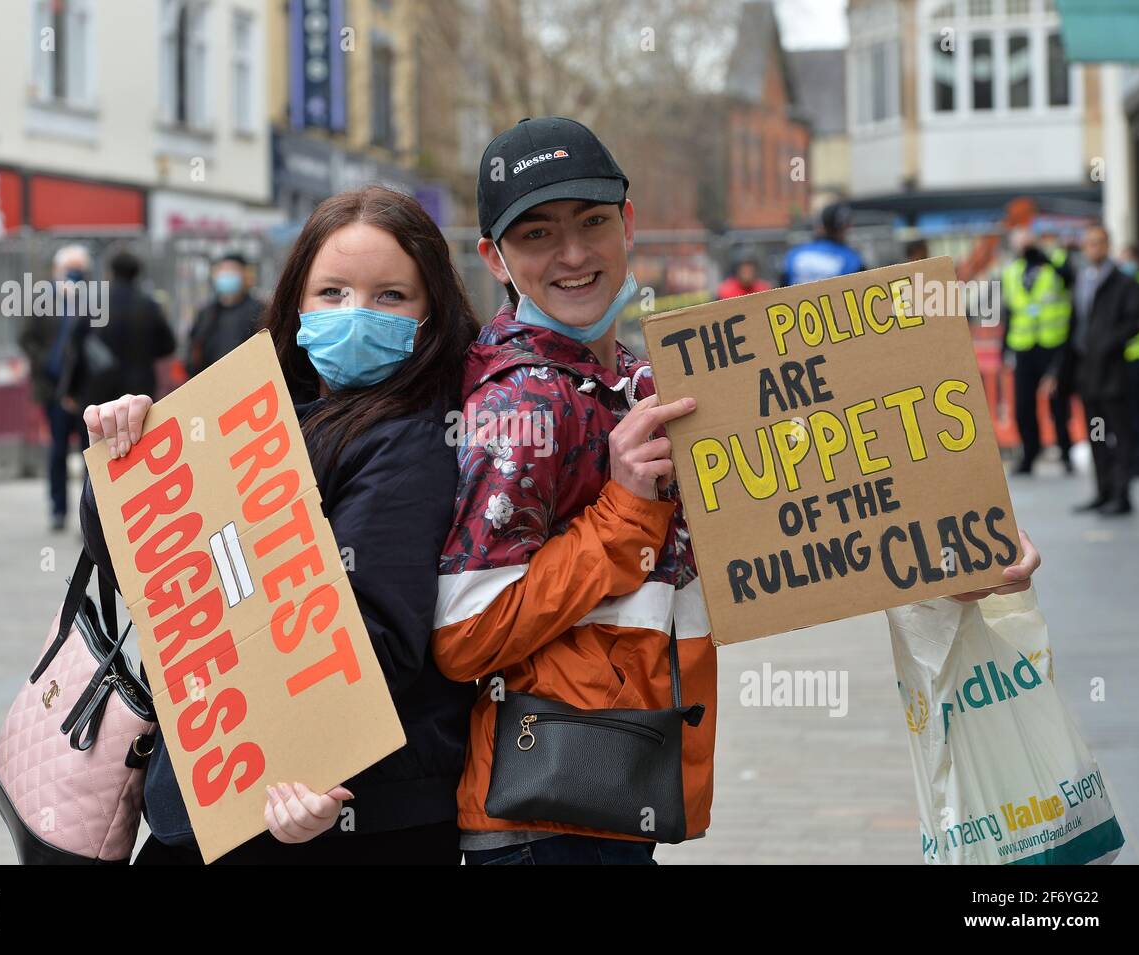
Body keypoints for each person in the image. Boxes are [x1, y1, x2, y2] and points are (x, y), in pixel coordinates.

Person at [432, 115, 1043, 866]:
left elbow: (793, 538)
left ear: (628, 222)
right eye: (537, 235)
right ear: (493, 256)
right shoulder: (515, 406)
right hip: (544, 813)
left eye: (592, 221)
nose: (574, 254)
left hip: (618, 787)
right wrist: (625, 506)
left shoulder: (650, 385)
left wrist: (955, 556)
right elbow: (466, 637)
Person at [79, 187, 479, 864]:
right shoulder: (265, 413)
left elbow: (371, 637)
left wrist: (307, 763)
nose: (355, 314)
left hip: (330, 807)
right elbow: (150, 576)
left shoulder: (416, 435)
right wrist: (123, 460)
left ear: (431, 310)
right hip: (240, 794)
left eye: (389, 295)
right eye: (331, 293)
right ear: (296, 305)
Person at [1066, 224, 1139, 516]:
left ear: (1108, 244)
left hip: (1113, 375)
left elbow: (1132, 321)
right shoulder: (1083, 281)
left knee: (1120, 436)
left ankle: (1121, 494)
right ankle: (1103, 490)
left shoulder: (1124, 284)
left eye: (1098, 243)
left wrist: (1105, 345)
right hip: (1090, 377)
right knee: (1097, 434)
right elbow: (1077, 327)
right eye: (1089, 243)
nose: (1093, 248)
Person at [19, 244, 94, 531]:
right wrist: (46, 363)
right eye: (69, 269)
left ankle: (92, 514)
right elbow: (27, 338)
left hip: (86, 390)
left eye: (80, 270)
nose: (74, 275)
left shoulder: (95, 301)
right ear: (56, 272)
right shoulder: (42, 299)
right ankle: (58, 508)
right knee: (57, 449)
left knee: (90, 453)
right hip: (53, 388)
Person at [59, 250, 176, 412]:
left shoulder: (95, 304)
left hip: (98, 388)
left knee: (99, 435)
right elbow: (168, 345)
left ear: (110, 272)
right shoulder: (149, 306)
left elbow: (76, 348)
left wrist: (70, 389)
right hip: (139, 389)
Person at [1000, 227, 1075, 475]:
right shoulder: (1011, 272)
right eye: (1020, 244)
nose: (1025, 248)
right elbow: (1009, 312)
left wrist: (1045, 257)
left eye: (1028, 243)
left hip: (1054, 344)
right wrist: (1005, 348)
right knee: (1023, 406)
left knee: (1058, 403)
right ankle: (1029, 455)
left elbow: (1069, 279)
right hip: (1024, 347)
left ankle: (1066, 452)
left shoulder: (1055, 263)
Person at [186, 252, 265, 377]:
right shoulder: (206, 313)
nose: (226, 274)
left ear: (245, 276)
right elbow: (194, 350)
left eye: (232, 270)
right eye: (223, 270)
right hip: (209, 382)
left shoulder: (259, 311)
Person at [1117, 245, 1139, 477]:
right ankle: (1138, 459)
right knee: (1132, 411)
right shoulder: (1122, 285)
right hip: (1129, 356)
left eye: (1127, 259)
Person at [781, 202, 864, 286]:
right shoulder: (851, 259)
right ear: (846, 227)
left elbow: (781, 287)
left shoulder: (795, 254)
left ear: (821, 225)